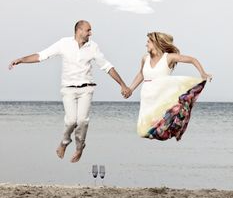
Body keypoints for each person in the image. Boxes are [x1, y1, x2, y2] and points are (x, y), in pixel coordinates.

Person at [9, 20, 131, 163]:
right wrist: (21, 60)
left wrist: (123, 85)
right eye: (88, 30)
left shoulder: (93, 47)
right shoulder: (63, 43)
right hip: (68, 89)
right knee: (71, 121)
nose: (90, 33)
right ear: (79, 30)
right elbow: (42, 55)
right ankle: (64, 142)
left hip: (86, 88)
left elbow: (107, 66)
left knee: (82, 121)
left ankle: (80, 147)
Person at [126, 32, 212, 141]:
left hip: (162, 96)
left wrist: (203, 73)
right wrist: (130, 89)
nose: (146, 44)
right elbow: (141, 74)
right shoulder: (144, 58)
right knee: (143, 131)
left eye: (148, 42)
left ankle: (173, 128)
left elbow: (192, 60)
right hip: (147, 97)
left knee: (161, 127)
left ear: (156, 43)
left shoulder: (169, 58)